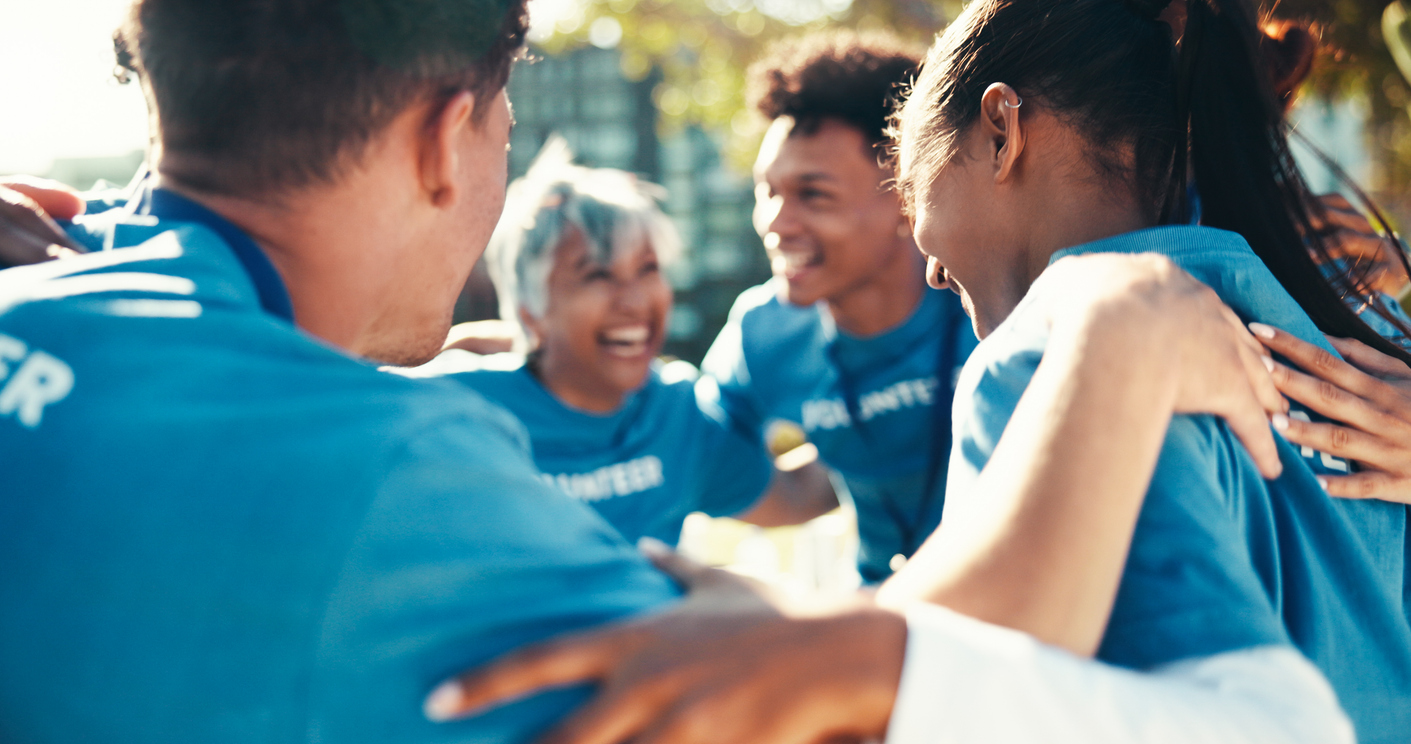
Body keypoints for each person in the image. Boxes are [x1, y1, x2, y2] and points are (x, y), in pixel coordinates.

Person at [0, 2, 1292, 743]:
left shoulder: (44, 268)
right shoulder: (399, 473)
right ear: (452, 136)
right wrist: (1116, 337)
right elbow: (938, 687)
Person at [427, 0, 1411, 741]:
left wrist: (800, 649)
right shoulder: (1365, 349)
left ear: (1001, 130)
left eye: (910, 188)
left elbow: (1025, 694)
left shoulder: (1063, 353)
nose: (928, 261)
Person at [403, 138, 833, 544]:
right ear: (531, 310)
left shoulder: (675, 412)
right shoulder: (456, 410)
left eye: (647, 269)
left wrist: (892, 411)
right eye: (597, 274)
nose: (633, 301)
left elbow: (795, 496)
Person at [699, 32, 979, 582]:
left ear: (908, 193)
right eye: (767, 191)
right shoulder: (763, 332)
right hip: (878, 614)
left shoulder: (991, 298)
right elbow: (708, 463)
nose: (776, 224)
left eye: (812, 194)